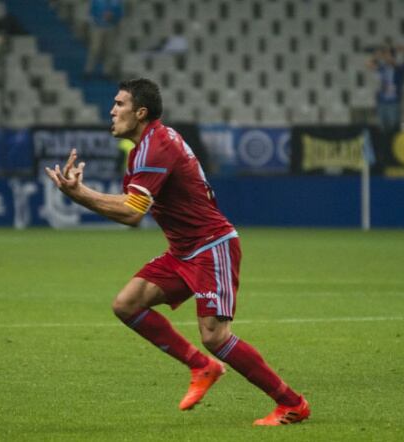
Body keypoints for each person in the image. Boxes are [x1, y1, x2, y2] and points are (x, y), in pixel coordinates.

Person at [44, 78, 310, 426]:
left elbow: (131, 213)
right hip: (184, 251)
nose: (112, 110)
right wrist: (83, 193)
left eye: (120, 104)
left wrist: (80, 195)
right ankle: (202, 367)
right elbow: (132, 205)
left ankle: (292, 404)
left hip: (211, 247)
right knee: (127, 304)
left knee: (215, 336)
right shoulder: (147, 146)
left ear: (140, 112)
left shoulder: (156, 147)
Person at [85, 0, 125, 78]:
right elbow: (91, 12)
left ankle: (107, 72)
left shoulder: (117, 1)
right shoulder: (96, 1)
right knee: (94, 48)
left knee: (109, 49)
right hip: (97, 27)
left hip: (111, 27)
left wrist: (113, 17)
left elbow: (120, 13)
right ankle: (88, 70)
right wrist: (100, 17)